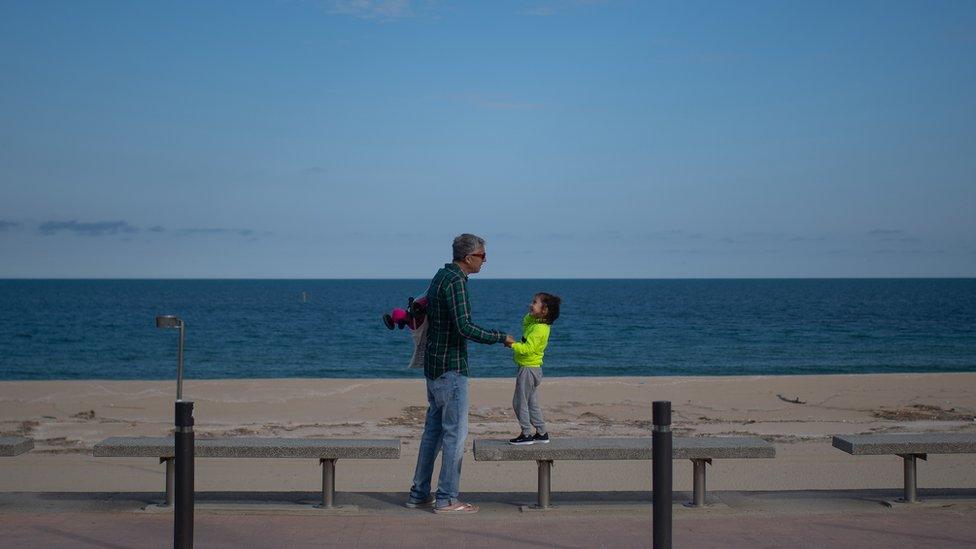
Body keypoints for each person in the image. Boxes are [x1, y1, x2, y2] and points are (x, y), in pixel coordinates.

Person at [405, 234, 514, 514]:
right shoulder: (455, 282)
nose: (485, 260)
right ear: (468, 258)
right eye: (482, 255)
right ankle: (447, 499)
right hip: (451, 368)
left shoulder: (441, 275)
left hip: (434, 367)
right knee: (455, 435)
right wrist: (501, 337)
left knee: (433, 432)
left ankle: (418, 494)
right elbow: (465, 326)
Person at [505, 292, 561, 445]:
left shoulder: (539, 329)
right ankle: (542, 433)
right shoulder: (537, 325)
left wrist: (512, 344)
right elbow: (525, 322)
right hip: (532, 369)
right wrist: (533, 314)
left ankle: (526, 434)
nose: (531, 304)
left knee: (519, 402)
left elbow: (528, 349)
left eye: (535, 302)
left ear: (544, 310)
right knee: (531, 402)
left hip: (528, 370)